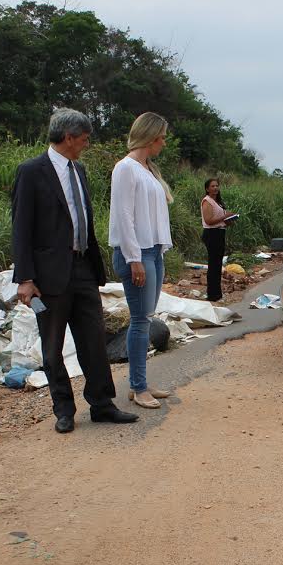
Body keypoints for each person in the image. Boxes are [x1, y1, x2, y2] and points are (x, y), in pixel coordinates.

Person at [11, 108, 139, 433]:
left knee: (94, 339)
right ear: (68, 137)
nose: (86, 143)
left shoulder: (78, 170)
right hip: (47, 276)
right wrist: (25, 278)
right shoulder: (31, 172)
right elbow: (21, 229)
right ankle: (63, 410)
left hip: (82, 267)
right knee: (52, 345)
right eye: (83, 138)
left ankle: (102, 403)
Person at [109, 112, 175, 409]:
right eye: (160, 137)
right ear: (149, 137)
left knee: (145, 319)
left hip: (153, 250)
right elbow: (123, 216)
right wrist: (134, 258)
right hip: (137, 253)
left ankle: (141, 382)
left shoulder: (147, 170)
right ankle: (137, 387)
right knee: (140, 321)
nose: (163, 142)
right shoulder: (126, 168)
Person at [199, 178, 235, 302]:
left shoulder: (217, 202)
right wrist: (224, 216)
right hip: (212, 234)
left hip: (219, 232)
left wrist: (229, 220)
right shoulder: (207, 201)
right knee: (213, 265)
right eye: (212, 186)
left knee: (217, 264)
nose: (215, 188)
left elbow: (219, 219)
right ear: (207, 189)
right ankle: (213, 294)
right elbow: (208, 220)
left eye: (217, 186)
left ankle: (217, 293)